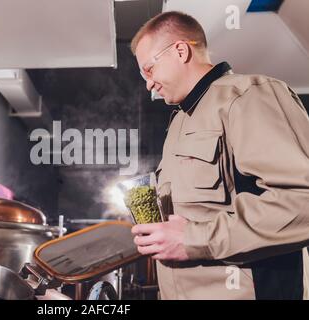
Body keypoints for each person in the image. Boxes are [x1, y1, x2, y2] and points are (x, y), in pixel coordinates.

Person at [130, 11, 309, 299]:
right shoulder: (179, 121)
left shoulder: (248, 96)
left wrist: (193, 238)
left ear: (179, 50)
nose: (148, 83)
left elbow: (303, 202)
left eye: (148, 69)